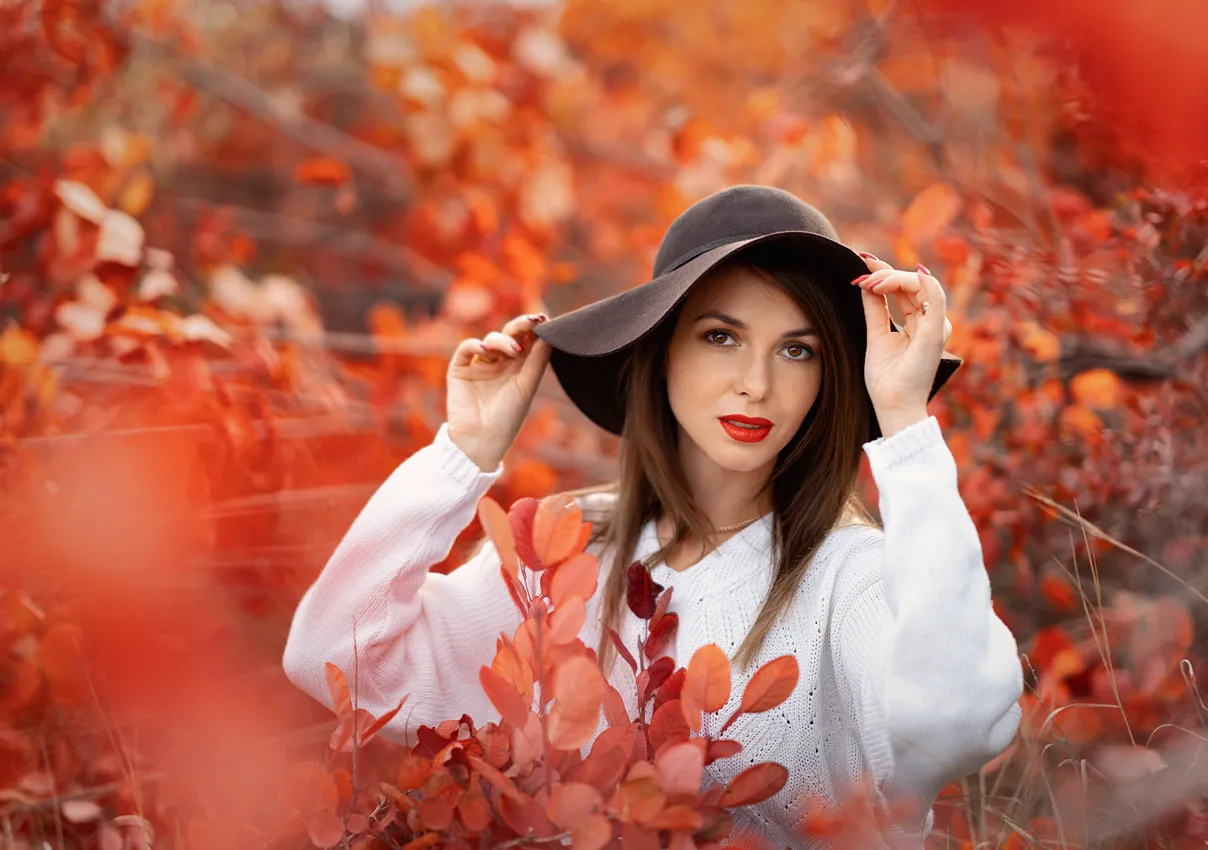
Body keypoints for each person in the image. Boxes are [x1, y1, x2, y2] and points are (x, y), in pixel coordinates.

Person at [282, 185, 1023, 849]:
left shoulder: (849, 574)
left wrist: (904, 427)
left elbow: (953, 721)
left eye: (796, 350)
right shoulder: (575, 548)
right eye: (720, 336)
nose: (756, 383)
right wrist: (463, 455)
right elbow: (333, 655)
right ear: (660, 351)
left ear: (829, 378)